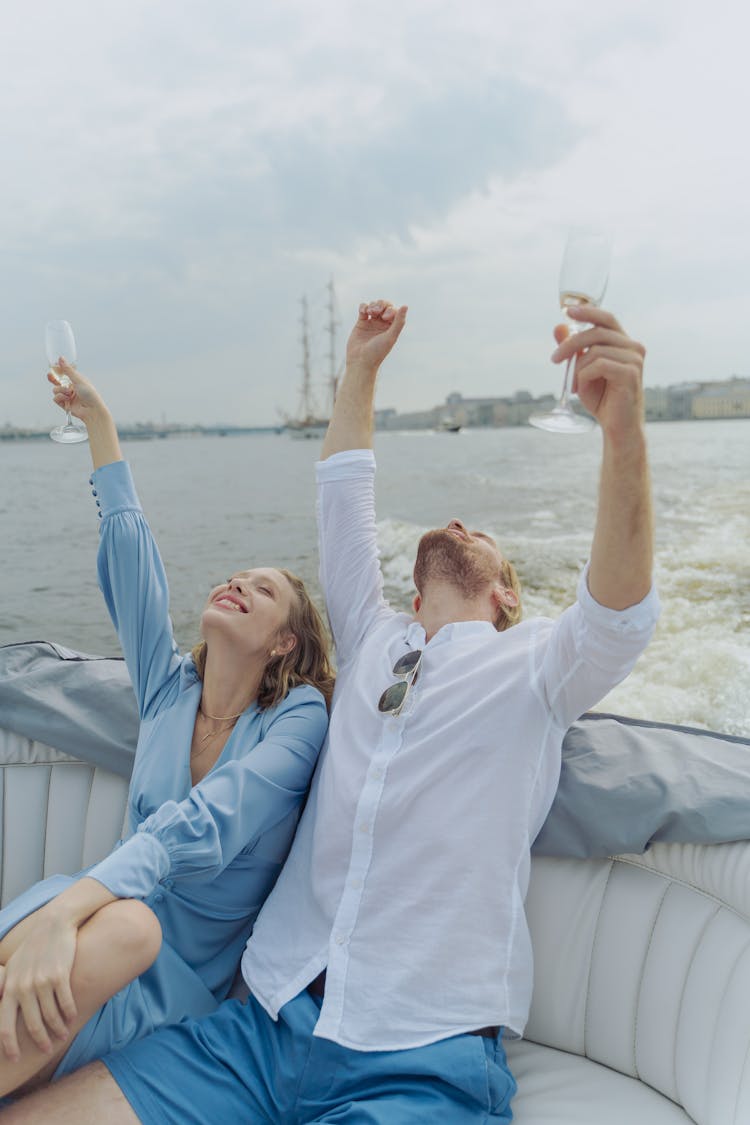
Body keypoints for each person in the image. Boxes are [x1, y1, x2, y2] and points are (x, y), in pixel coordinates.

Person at [2, 298, 659, 1123]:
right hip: (257, 1028)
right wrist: (360, 369)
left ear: (506, 595)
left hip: (419, 1051)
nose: (457, 521)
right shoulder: (375, 637)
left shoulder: (542, 669)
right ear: (411, 592)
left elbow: (619, 610)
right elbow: (343, 498)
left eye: (482, 533)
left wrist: (623, 430)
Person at [0, 361, 332, 1101]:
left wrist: (67, 909)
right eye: (236, 573)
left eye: (264, 587)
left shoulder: (298, 720)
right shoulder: (168, 686)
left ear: (285, 642)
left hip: (161, 974)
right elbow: (133, 568)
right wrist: (100, 426)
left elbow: (204, 823)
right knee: (111, 930)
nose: (239, 581)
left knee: (133, 931)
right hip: (83, 923)